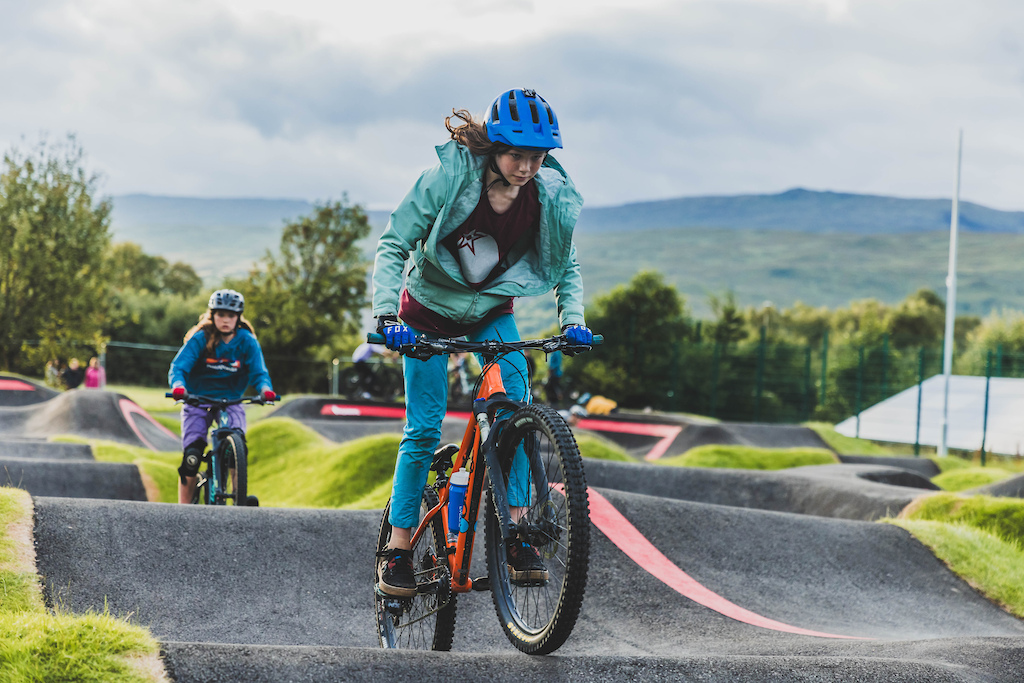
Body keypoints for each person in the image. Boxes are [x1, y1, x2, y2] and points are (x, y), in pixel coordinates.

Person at [372, 88, 593, 597]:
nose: (526, 167)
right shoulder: (448, 177)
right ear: (494, 146)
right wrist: (388, 315)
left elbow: (567, 265)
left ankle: (518, 535)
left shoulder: (546, 195)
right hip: (424, 315)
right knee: (423, 429)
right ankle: (399, 548)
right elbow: (393, 242)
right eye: (517, 154)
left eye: (537, 158)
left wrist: (573, 319)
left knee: (516, 407)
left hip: (491, 313)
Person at [167, 289, 275, 505]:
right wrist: (179, 387)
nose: (226, 320)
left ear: (238, 317)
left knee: (238, 448)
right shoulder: (201, 338)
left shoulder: (247, 341)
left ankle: (238, 499)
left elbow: (259, 373)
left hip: (231, 401)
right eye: (221, 315)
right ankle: (182, 510)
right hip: (197, 400)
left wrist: (265, 390)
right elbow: (178, 368)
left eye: (231, 316)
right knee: (192, 457)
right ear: (212, 315)